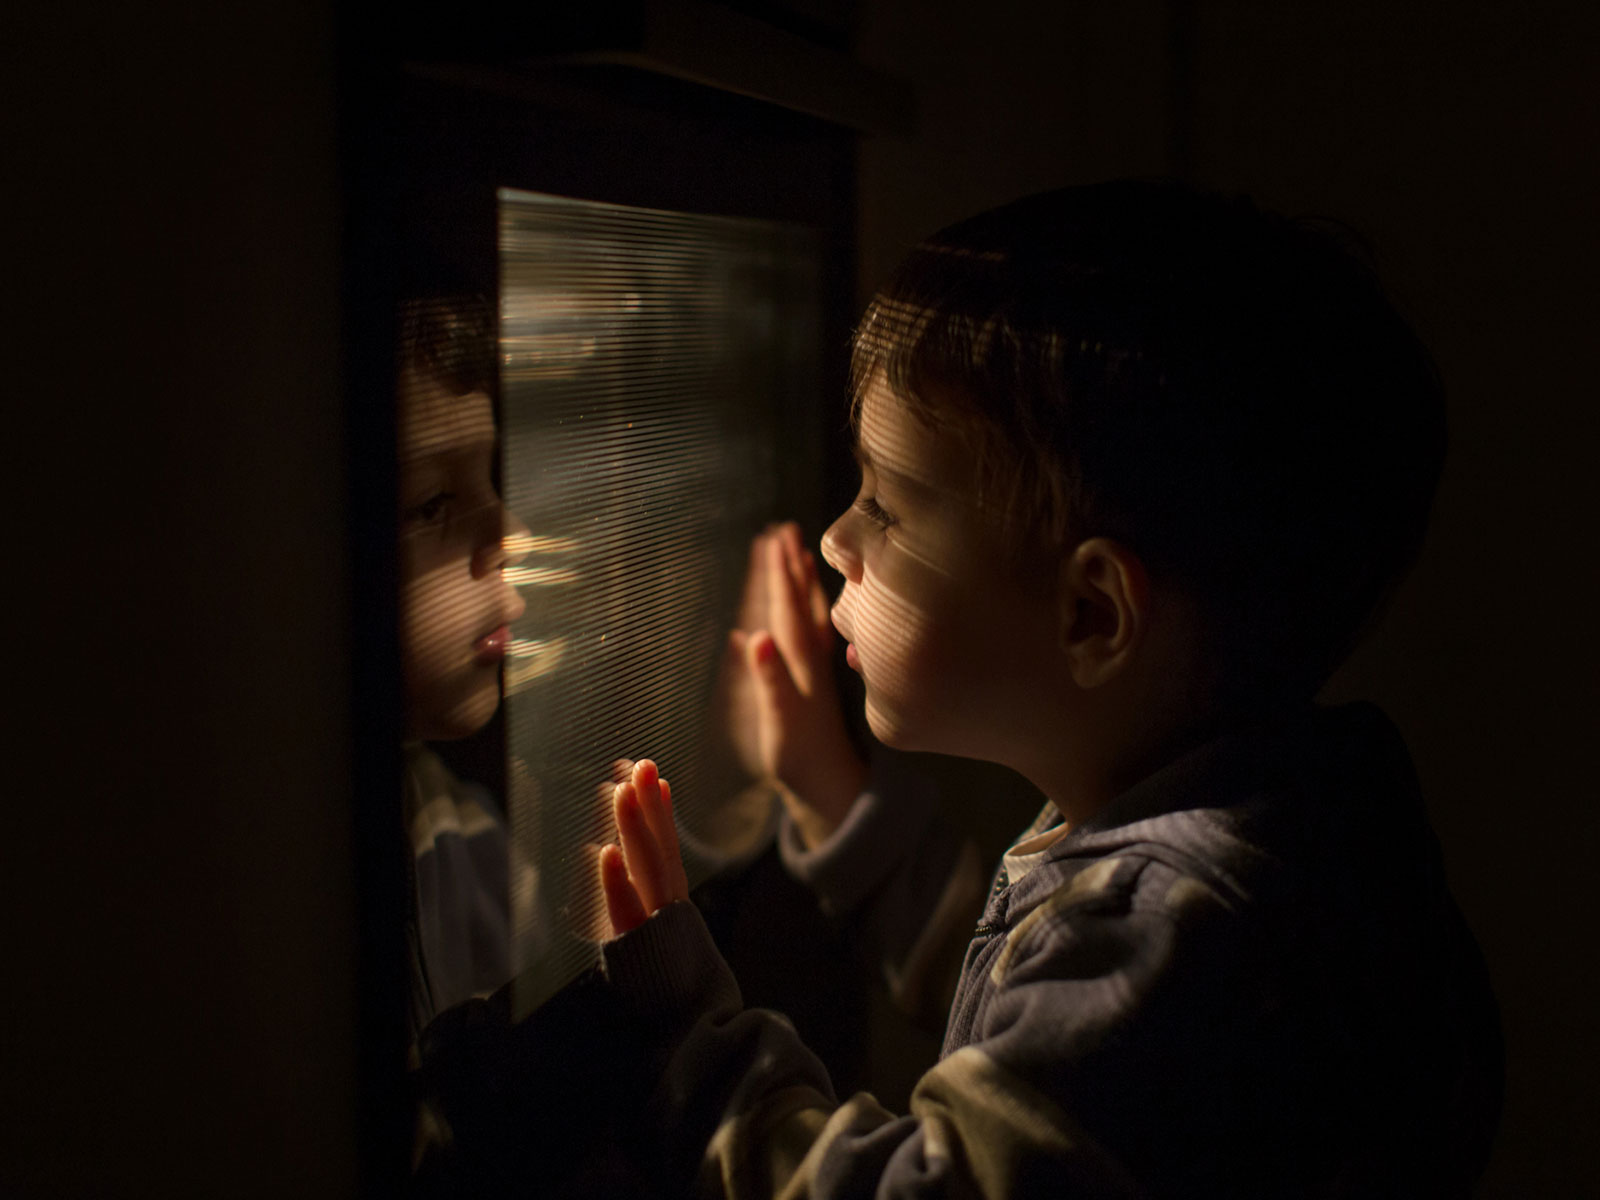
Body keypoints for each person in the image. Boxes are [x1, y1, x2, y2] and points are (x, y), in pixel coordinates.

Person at [590, 181, 1504, 1197]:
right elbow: (1032, 1015)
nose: (837, 540)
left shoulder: (1178, 930)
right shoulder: (1281, 835)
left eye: (887, 508)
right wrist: (832, 796)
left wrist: (681, 1038)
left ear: (1092, 617)